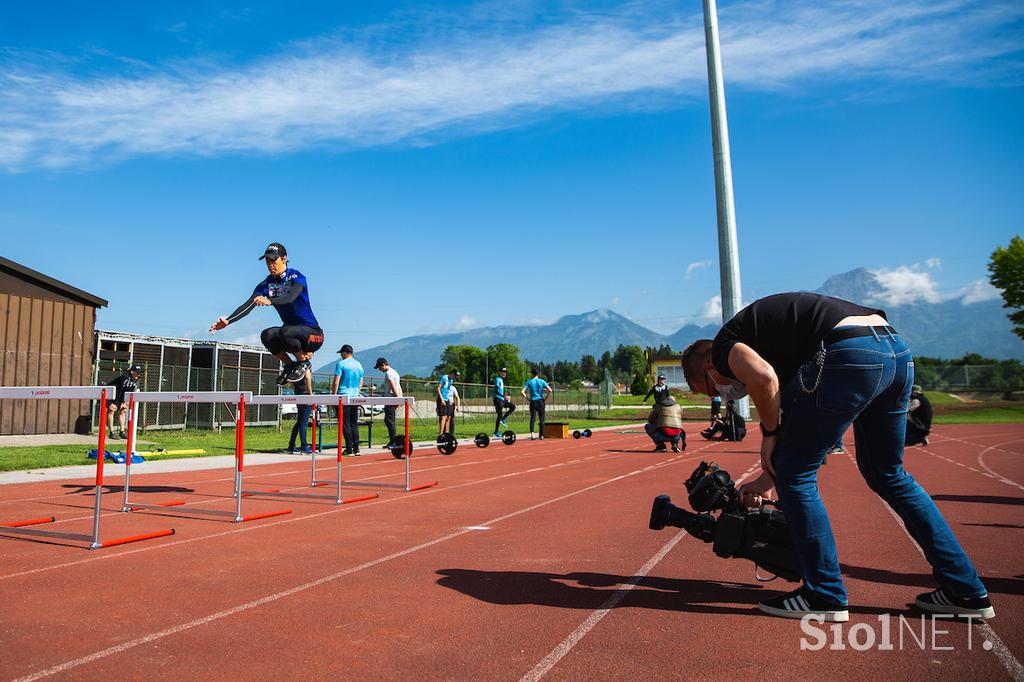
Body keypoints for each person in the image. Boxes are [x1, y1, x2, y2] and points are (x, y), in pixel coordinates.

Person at [681, 292, 993, 621]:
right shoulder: (778, 344)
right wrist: (767, 478)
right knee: (888, 474)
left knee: (797, 475)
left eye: (713, 389)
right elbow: (794, 416)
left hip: (849, 352)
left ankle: (825, 593)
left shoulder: (723, 345)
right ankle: (965, 589)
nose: (724, 395)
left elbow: (763, 379)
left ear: (708, 366)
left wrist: (769, 438)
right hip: (895, 350)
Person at [209, 242, 324, 385]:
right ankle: (289, 365)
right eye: (267, 261)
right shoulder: (265, 285)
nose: (270, 264)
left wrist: (271, 300)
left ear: (283, 259)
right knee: (267, 335)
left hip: (313, 335)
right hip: (290, 337)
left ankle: (303, 363)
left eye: (273, 260)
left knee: (286, 331)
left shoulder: (296, 276)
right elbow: (248, 305)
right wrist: (228, 321)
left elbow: (290, 297)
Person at [331, 344, 364, 455]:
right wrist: (356, 392)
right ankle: (357, 448)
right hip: (354, 397)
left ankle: (349, 448)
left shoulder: (341, 364)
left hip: (343, 396)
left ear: (345, 353)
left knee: (345, 423)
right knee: (354, 423)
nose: (340, 355)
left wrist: (333, 395)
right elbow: (361, 383)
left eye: (341, 353)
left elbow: (336, 381)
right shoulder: (359, 365)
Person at [105, 364, 142, 439]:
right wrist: (113, 403)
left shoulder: (135, 379)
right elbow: (119, 389)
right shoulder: (124, 378)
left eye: (139, 372)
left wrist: (124, 402)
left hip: (121, 396)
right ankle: (111, 432)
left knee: (123, 411)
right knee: (112, 410)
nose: (138, 374)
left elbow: (130, 391)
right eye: (137, 372)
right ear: (132, 372)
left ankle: (122, 432)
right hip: (112, 394)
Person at [375, 358, 402, 442]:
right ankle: (393, 440)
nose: (379, 370)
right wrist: (400, 398)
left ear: (383, 364)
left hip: (390, 399)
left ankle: (393, 441)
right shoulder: (395, 372)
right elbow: (399, 386)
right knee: (389, 420)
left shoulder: (388, 374)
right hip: (394, 398)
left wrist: (397, 399)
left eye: (380, 368)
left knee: (389, 421)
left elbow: (393, 387)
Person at [287, 368, 314, 454]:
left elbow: (291, 382)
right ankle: (304, 446)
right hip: (306, 396)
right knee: (303, 422)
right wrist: (310, 393)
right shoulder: (306, 368)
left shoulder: (296, 370)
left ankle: (291, 445)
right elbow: (307, 378)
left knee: (299, 422)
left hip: (299, 395)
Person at [521, 368, 552, 440]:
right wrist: (545, 398)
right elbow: (550, 390)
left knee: (533, 418)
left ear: (532, 374)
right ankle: (541, 435)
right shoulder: (542, 381)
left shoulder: (529, 382)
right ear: (537, 374)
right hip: (541, 401)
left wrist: (528, 399)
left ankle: (532, 434)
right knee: (542, 419)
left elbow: (522, 392)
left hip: (533, 401)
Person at [492, 367, 517, 438]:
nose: (504, 374)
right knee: (499, 416)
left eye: (505, 372)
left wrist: (508, 396)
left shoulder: (501, 380)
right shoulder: (498, 379)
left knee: (513, 407)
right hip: (498, 400)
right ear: (499, 373)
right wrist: (503, 396)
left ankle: (503, 419)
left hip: (502, 400)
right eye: (503, 372)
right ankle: (496, 432)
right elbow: (496, 391)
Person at [436, 369, 460, 435]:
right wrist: (442, 399)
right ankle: (440, 434)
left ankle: (447, 433)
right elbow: (438, 388)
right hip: (442, 399)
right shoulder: (444, 378)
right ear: (452, 373)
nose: (455, 378)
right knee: (444, 416)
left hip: (447, 400)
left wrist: (449, 400)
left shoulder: (451, 380)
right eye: (454, 376)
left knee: (448, 417)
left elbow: (448, 391)